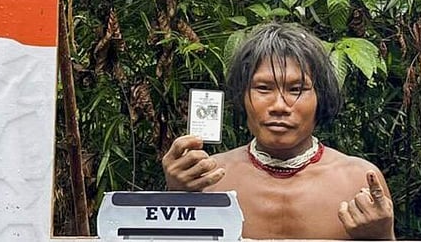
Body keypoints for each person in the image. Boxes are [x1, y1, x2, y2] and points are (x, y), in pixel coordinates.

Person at [163, 22, 395, 240]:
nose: (279, 106)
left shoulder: (358, 180)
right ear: (242, 96)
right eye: (263, 88)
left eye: (296, 89)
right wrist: (174, 198)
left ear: (320, 98)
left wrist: (382, 237)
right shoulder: (205, 178)